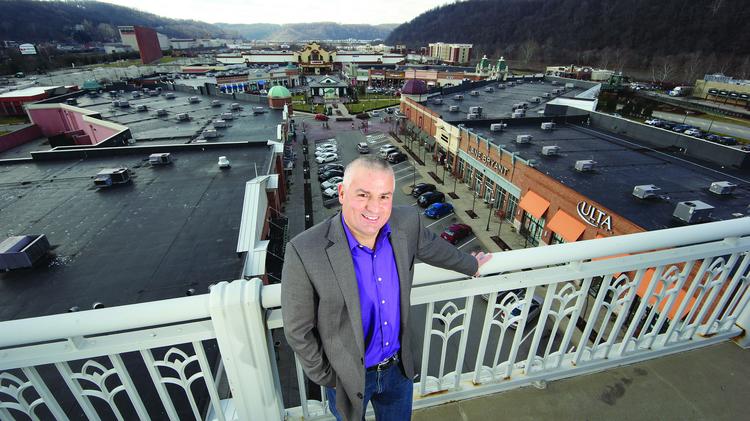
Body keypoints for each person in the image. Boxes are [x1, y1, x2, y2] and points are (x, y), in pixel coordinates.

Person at [282, 156, 491, 421]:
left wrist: (471, 264)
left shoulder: (406, 222)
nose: (375, 207)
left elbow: (434, 247)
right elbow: (297, 328)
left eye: (384, 196)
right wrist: (327, 375)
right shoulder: (305, 250)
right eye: (363, 194)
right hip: (346, 375)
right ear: (342, 193)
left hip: (398, 369)